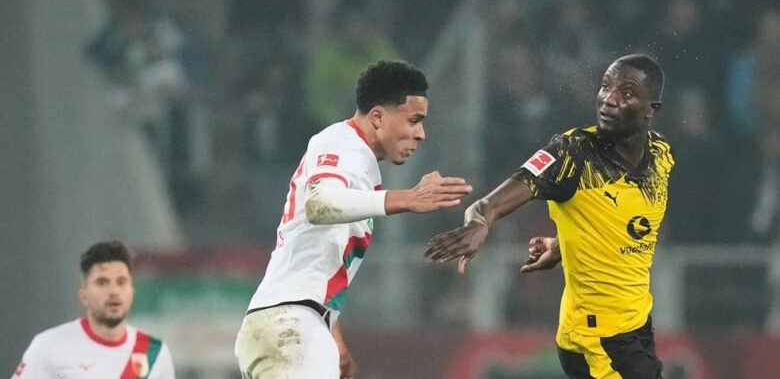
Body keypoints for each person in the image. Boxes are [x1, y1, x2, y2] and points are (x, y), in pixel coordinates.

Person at [426, 54, 673, 379]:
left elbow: (617, 224)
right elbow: (488, 204)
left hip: (636, 323)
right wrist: (478, 224)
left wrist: (564, 245)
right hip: (597, 338)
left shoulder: (660, 154)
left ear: (652, 109)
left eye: (626, 93)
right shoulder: (573, 155)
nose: (609, 99)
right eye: (605, 86)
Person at [234, 59, 473, 378]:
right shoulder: (342, 144)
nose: (421, 134)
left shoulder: (356, 158)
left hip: (292, 323)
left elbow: (316, 256)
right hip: (290, 325)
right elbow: (319, 204)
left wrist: (337, 344)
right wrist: (408, 198)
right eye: (414, 120)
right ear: (378, 117)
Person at [13, 240, 176, 379]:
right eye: (102, 282)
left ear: (132, 293)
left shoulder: (155, 353)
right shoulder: (49, 346)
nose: (114, 291)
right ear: (84, 296)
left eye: (121, 282)